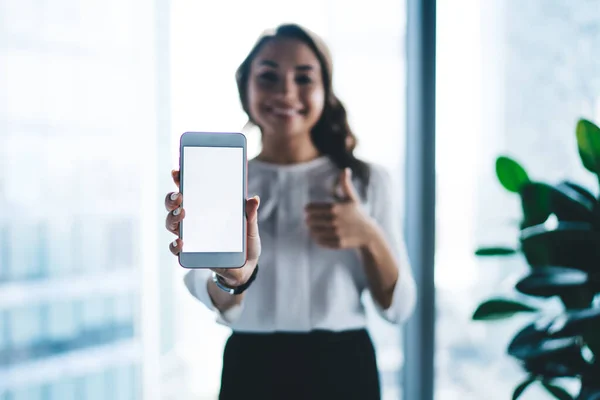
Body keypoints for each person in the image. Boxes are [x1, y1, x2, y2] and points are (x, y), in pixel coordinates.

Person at [164, 23, 416, 400]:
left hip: (344, 367)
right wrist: (232, 277)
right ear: (244, 88)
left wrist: (367, 234)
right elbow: (214, 296)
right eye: (268, 77)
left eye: (304, 78)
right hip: (252, 367)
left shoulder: (366, 181)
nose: (285, 92)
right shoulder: (226, 181)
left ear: (324, 91)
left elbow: (399, 308)